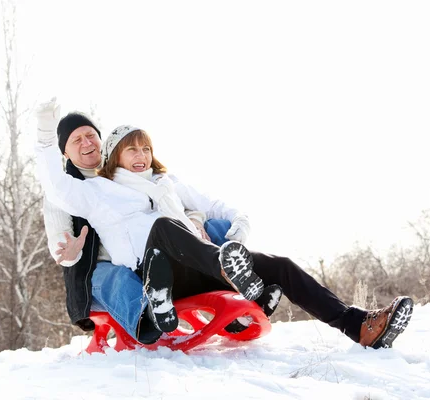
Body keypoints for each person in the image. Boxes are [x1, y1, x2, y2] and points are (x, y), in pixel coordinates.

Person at [36, 100, 414, 350]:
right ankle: (236, 276)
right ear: (114, 155)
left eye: (145, 148)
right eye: (131, 149)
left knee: (279, 265)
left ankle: (358, 324)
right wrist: (44, 132)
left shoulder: (165, 183)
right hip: (156, 272)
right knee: (164, 229)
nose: (141, 156)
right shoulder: (96, 191)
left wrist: (231, 229)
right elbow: (55, 186)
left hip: (194, 264)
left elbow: (211, 207)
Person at [38, 101, 280, 344]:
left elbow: (171, 199)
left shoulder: (123, 166)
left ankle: (243, 286)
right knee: (113, 275)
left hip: (150, 251)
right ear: (65, 153)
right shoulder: (64, 191)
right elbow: (58, 243)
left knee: (216, 228)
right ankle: (147, 319)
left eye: (90, 135)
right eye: (76, 140)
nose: (87, 143)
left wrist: (194, 220)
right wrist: (71, 252)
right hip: (98, 264)